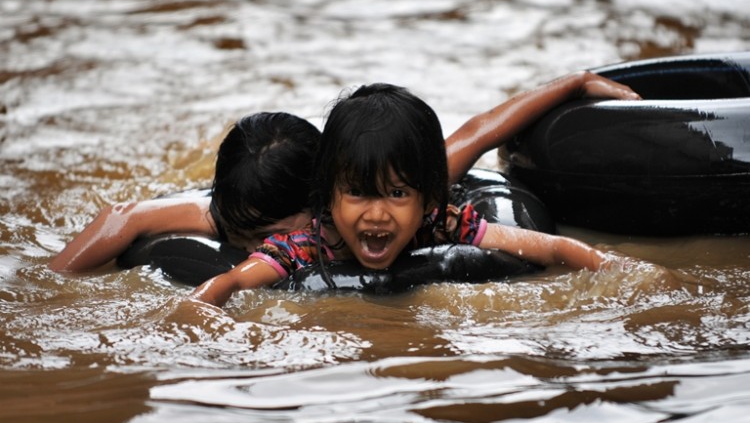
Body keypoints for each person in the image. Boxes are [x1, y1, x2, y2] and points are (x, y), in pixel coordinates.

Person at [48, 71, 640, 273]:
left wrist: (575, 83)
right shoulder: (224, 213)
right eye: (246, 240)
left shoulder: (388, 186)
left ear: (325, 201)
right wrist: (47, 282)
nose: (258, 248)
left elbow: (481, 131)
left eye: (266, 236)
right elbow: (122, 216)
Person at [190, 83, 622, 307]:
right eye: (358, 194)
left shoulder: (440, 219)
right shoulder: (306, 244)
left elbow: (547, 245)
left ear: (428, 196)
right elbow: (232, 280)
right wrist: (201, 307)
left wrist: (615, 268)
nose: (377, 214)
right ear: (326, 195)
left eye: (396, 193)